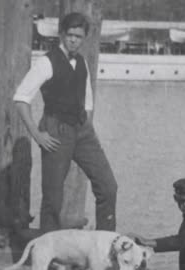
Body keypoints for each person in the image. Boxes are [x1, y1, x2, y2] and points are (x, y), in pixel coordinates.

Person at [13, 12, 118, 232]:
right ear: (61, 34)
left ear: (84, 38)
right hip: (55, 130)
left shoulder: (82, 62)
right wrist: (37, 134)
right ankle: (48, 257)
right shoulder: (46, 62)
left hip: (82, 130)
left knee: (108, 186)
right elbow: (21, 99)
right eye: (69, 35)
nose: (73, 40)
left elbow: (87, 102)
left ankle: (106, 246)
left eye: (78, 36)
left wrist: (86, 131)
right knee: (53, 197)